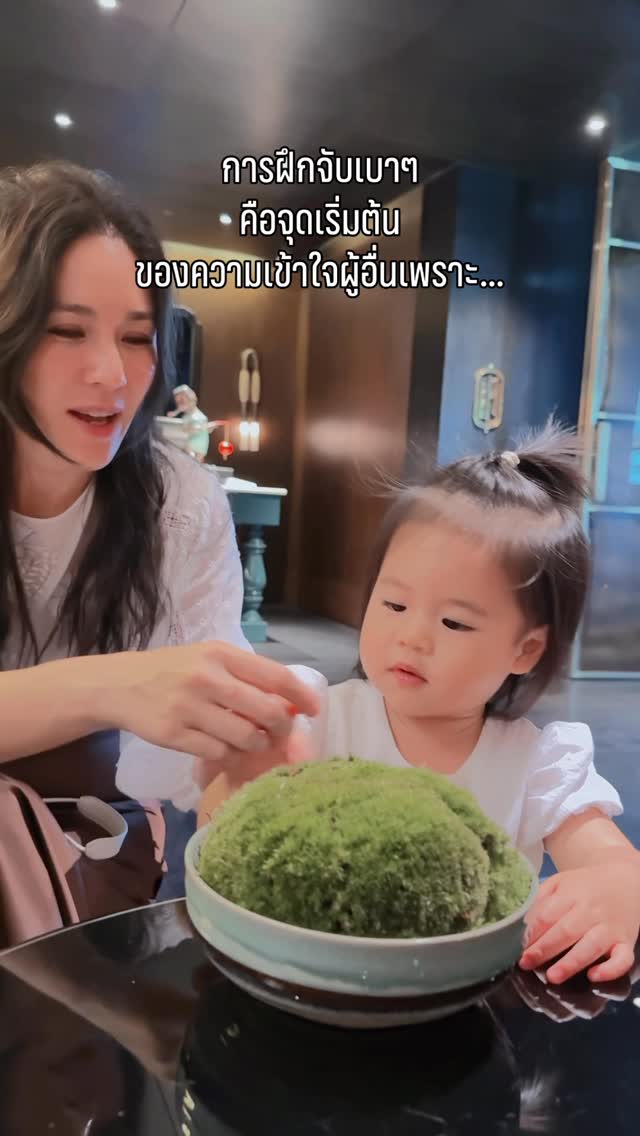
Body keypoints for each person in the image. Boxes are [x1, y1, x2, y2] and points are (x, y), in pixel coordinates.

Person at [199, 422, 640, 986]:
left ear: (526, 649)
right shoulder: (315, 716)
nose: (411, 638)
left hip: (466, 996)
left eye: (454, 622)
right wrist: (237, 781)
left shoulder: (537, 763)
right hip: (311, 980)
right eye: (394, 605)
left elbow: (613, 862)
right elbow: (221, 837)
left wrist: (616, 888)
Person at [0, 159, 318, 931]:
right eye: (67, 330)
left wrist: (248, 765)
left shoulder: (178, 501)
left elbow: (205, 761)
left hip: (91, 847)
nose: (112, 373)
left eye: (138, 337)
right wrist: (106, 688)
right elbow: (127, 691)